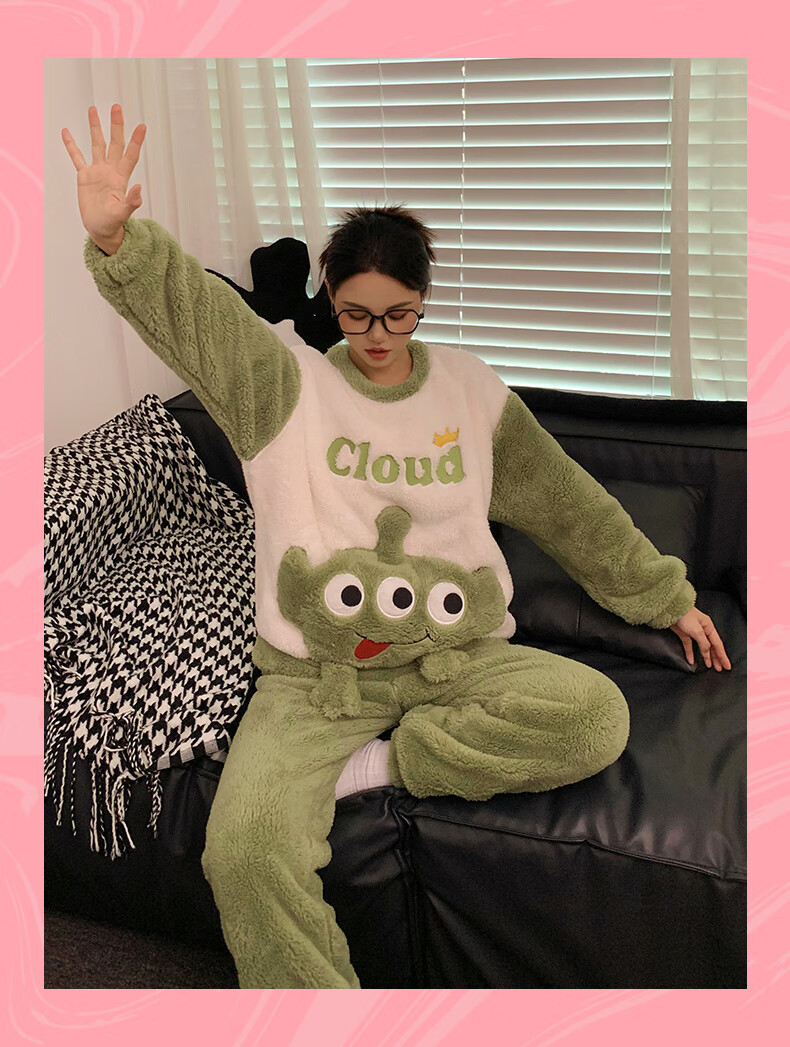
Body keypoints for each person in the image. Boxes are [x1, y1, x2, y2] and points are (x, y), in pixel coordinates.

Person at [62, 104, 732, 990]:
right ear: (330, 299)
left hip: (454, 659)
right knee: (244, 851)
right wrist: (120, 242)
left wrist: (664, 597)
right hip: (315, 679)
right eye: (355, 314)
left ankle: (376, 766)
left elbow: (571, 505)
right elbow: (200, 320)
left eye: (398, 315)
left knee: (594, 716)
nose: (377, 338)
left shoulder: (471, 393)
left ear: (423, 302)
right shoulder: (284, 387)